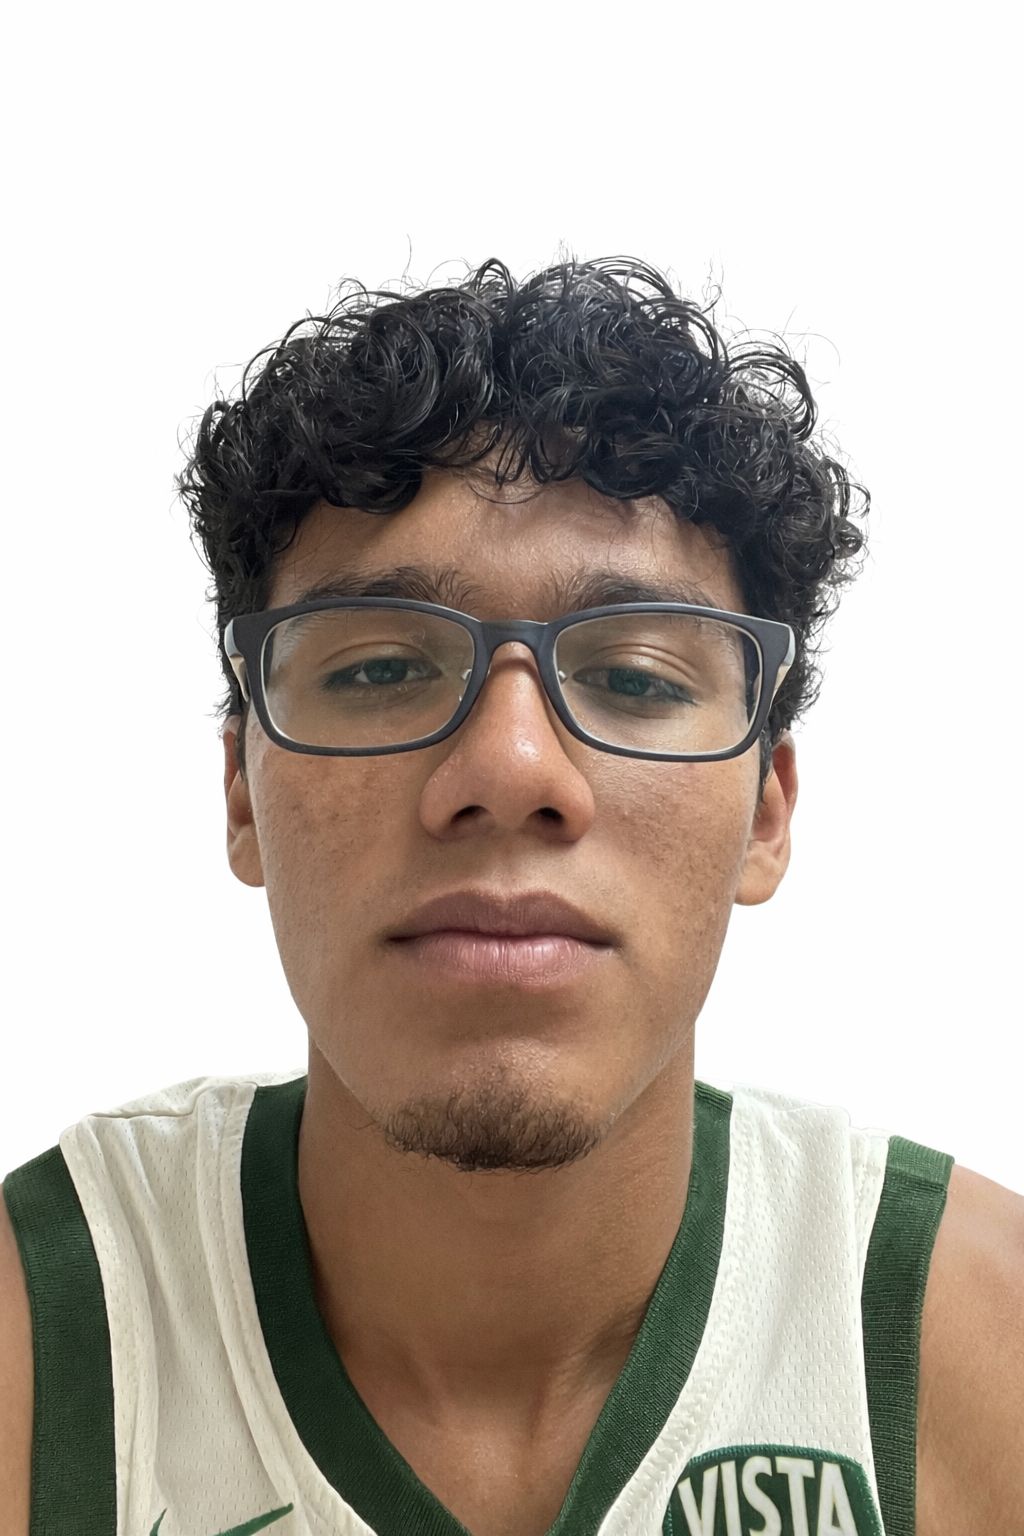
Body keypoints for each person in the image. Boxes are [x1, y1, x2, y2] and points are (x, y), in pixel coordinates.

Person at [1, 256, 1020, 1536]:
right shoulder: (48, 1337)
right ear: (242, 795)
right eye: (380, 669)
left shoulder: (975, 1345)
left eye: (636, 678)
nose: (509, 770)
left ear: (766, 810)